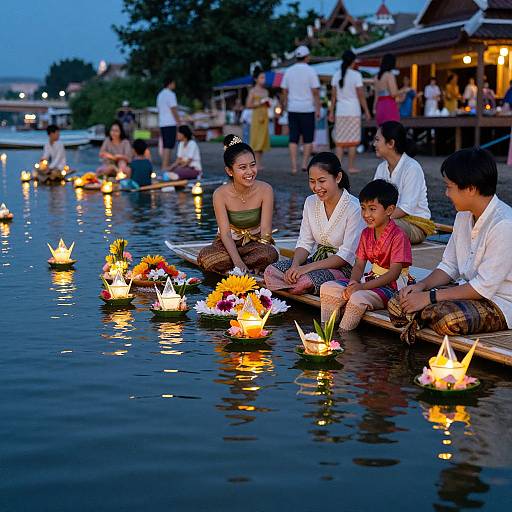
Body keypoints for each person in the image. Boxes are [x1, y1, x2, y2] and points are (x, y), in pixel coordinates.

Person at [388, 147, 512, 344]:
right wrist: (421, 286)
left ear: (470, 189)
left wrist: (429, 298)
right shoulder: (463, 215)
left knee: (449, 320)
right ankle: (426, 314)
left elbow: (482, 287)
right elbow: (449, 265)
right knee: (397, 303)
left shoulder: (504, 224)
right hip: (465, 290)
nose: (446, 193)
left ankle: (425, 315)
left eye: (449, 187)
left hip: (499, 301)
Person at [264, 152, 364, 295]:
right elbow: (305, 242)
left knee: (302, 281)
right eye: (312, 181)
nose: (317, 187)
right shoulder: (310, 201)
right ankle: (299, 285)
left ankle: (303, 285)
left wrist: (304, 269)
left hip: (345, 268)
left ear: (338, 177)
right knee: (271, 272)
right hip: (316, 261)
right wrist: (295, 266)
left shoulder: (354, 208)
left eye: (322, 181)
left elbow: (345, 256)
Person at [320, 180, 413, 331]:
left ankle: (343, 335)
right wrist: (353, 283)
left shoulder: (399, 236)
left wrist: (361, 287)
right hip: (370, 279)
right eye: (363, 208)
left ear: (389, 210)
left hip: (392, 286)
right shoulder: (366, 233)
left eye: (372, 209)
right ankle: (326, 331)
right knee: (327, 287)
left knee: (357, 298)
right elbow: (358, 264)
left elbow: (393, 274)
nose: (366, 214)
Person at [197, 135, 279, 274]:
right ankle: (245, 264)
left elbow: (265, 231)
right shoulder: (220, 194)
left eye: (253, 165)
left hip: (254, 243)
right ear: (230, 171)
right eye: (242, 167)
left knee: (270, 254)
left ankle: (243, 264)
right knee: (207, 258)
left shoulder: (266, 189)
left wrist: (265, 251)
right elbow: (225, 234)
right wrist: (238, 262)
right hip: (226, 244)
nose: (249, 172)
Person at [373, 121, 434, 244]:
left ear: (391, 143)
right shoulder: (381, 168)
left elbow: (406, 208)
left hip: (414, 224)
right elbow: (374, 199)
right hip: (388, 219)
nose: (374, 144)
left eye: (377, 140)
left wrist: (375, 219)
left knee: (382, 228)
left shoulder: (412, 167)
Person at [328, 50, 371, 174]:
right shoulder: (356, 75)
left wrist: (331, 112)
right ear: (353, 61)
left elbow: (333, 97)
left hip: (340, 111)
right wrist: (367, 110)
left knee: (340, 142)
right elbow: (361, 95)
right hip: (353, 111)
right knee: (353, 141)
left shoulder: (336, 75)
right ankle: (351, 166)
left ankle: (337, 168)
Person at [281, 45, 321, 175]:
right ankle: (304, 164)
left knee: (293, 138)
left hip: (293, 108)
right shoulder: (311, 71)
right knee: (308, 138)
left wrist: (284, 105)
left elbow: (284, 91)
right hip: (308, 108)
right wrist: (318, 108)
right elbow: (315, 92)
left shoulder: (288, 71)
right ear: (307, 57)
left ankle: (293, 166)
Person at [246, 68, 271, 170]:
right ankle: (254, 163)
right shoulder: (253, 91)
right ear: (256, 79)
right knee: (256, 140)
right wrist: (260, 103)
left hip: (264, 117)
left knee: (263, 140)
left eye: (264, 77)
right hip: (256, 118)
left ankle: (259, 163)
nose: (263, 79)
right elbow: (248, 105)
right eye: (261, 77)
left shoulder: (265, 91)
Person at [157, 75, 181, 170]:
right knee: (168, 145)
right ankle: (165, 166)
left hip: (163, 123)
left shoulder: (160, 95)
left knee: (166, 144)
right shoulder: (170, 94)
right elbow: (173, 109)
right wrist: (178, 121)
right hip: (170, 123)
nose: (174, 85)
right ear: (170, 84)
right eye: (174, 83)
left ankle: (165, 164)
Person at [374, 53, 400, 126]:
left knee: (381, 130)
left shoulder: (376, 77)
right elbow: (393, 93)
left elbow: (376, 95)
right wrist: (404, 90)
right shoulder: (389, 75)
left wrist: (374, 108)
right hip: (388, 104)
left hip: (379, 105)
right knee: (391, 129)